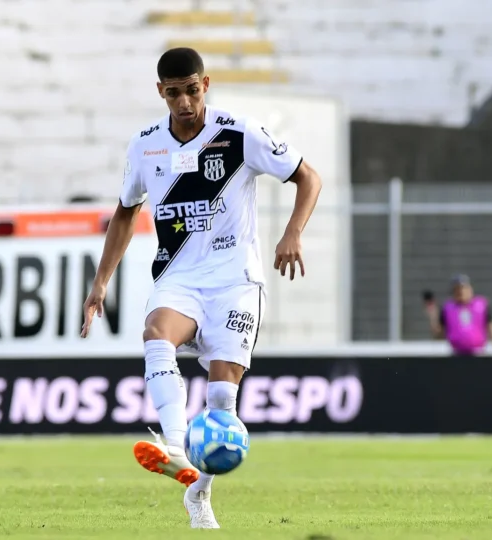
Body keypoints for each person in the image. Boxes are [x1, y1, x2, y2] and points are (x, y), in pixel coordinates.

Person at [80, 48, 322, 529]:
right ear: (161, 93)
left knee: (220, 404)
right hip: (180, 278)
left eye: (192, 90)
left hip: (236, 282)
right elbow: (126, 212)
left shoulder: (239, 133)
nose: (185, 102)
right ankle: (174, 443)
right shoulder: (145, 145)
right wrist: (99, 283)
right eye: (175, 93)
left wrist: (293, 231)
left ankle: (198, 493)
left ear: (205, 84)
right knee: (155, 332)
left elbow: (308, 177)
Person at [423, 274, 492, 356]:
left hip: (478, 352)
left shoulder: (481, 305)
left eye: (464, 288)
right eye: (457, 289)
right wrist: (433, 316)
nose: (461, 292)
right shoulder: (448, 308)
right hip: (457, 353)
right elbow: (439, 335)